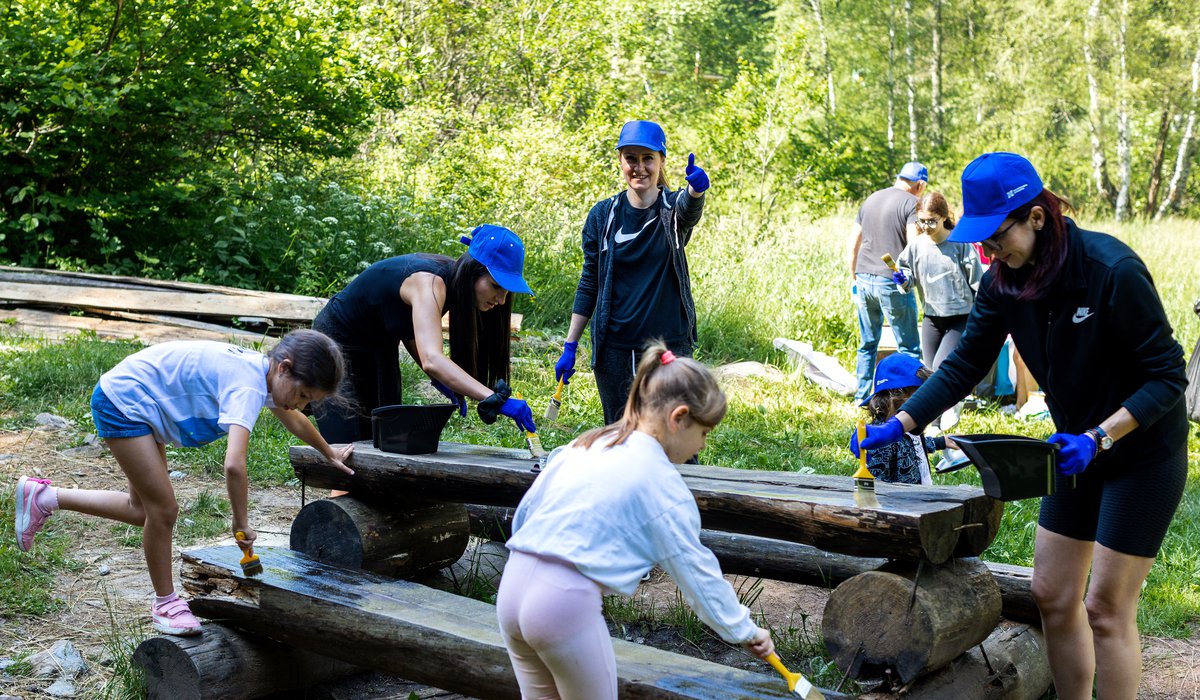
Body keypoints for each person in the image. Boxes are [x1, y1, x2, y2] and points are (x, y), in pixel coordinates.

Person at [851, 152, 1188, 700]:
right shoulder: (1003, 281)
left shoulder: (1111, 271)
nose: (987, 250)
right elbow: (963, 365)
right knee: (1051, 593)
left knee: (1105, 608)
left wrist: (1101, 437)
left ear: (1035, 217)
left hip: (1140, 451)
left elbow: (1168, 376)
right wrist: (905, 423)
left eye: (996, 235)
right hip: (1072, 448)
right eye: (980, 237)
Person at [14, 330, 355, 636]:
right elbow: (234, 466)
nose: (302, 404)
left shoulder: (264, 374)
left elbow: (293, 419)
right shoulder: (248, 386)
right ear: (284, 367)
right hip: (126, 402)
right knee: (163, 510)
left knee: (141, 511)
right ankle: (165, 604)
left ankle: (43, 497)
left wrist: (328, 453)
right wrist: (241, 524)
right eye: (303, 394)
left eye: (310, 400)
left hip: (143, 400)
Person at [497, 343, 775, 697]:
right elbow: (696, 572)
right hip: (561, 605)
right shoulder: (662, 483)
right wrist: (744, 630)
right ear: (679, 418)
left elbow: (528, 510)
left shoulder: (589, 444)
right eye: (704, 433)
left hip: (512, 586)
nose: (703, 445)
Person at [312, 225, 538, 443]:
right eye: (496, 286)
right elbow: (432, 359)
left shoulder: (453, 284)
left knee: (385, 435)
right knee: (346, 444)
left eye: (507, 291)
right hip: (333, 341)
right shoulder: (430, 283)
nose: (501, 300)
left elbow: (409, 330)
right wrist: (494, 399)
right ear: (472, 272)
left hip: (379, 345)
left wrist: (446, 380)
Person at [553, 120, 711, 424]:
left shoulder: (671, 208)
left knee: (676, 435)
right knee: (621, 436)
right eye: (631, 159)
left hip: (669, 349)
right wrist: (570, 346)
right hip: (616, 351)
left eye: (648, 158)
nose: (639, 167)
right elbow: (590, 282)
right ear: (620, 161)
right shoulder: (603, 215)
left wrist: (695, 191)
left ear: (661, 160)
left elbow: (689, 211)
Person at [894, 190, 983, 432]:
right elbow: (907, 278)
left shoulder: (960, 244)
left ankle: (939, 416)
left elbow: (978, 284)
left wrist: (981, 318)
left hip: (960, 317)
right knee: (927, 372)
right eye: (921, 221)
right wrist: (902, 280)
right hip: (932, 317)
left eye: (931, 220)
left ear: (944, 217)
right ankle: (934, 421)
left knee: (942, 369)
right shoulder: (917, 246)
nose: (926, 226)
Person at [849, 161, 926, 403]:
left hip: (863, 277)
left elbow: (853, 241)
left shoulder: (871, 198)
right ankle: (911, 399)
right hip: (890, 282)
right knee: (909, 347)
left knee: (867, 343)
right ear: (920, 184)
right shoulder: (911, 203)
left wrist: (853, 274)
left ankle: (862, 396)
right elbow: (913, 245)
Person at [858, 353, 953, 484]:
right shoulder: (884, 440)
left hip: (920, 498)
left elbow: (916, 444)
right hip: (901, 501)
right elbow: (876, 482)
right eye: (920, 395)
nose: (925, 401)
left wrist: (941, 442)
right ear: (897, 396)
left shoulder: (910, 423)